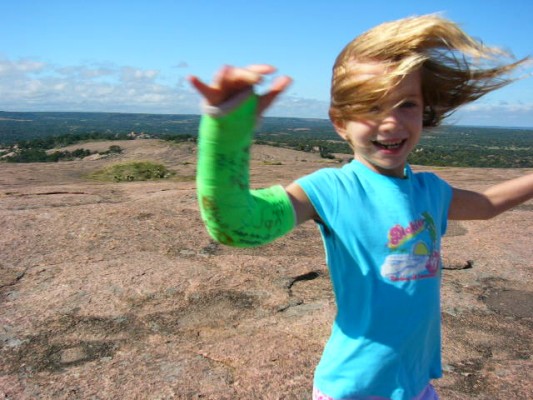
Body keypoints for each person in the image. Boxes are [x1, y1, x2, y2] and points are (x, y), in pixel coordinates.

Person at [188, 14, 532, 400]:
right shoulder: (331, 189)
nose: (389, 122)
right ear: (340, 123)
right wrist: (226, 132)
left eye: (406, 104)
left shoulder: (430, 190)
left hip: (416, 384)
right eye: (370, 106)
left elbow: (487, 204)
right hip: (354, 388)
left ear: (425, 112)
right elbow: (239, 225)